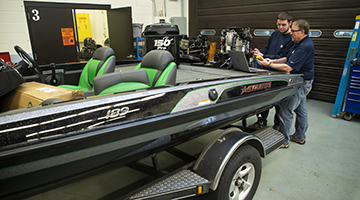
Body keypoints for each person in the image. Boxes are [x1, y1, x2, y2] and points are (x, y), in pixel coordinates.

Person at [256, 19, 315, 148]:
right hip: (302, 80)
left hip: (301, 82)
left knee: (285, 110)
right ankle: (299, 136)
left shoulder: (305, 47)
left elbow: (288, 67)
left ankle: (284, 140)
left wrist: (269, 65)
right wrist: (271, 60)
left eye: (293, 31)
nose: (291, 33)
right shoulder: (298, 42)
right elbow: (287, 58)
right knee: (301, 110)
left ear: (302, 32)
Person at [250, 11, 296, 130]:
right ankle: (261, 122)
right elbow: (267, 49)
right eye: (278, 24)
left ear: (290, 23)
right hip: (267, 70)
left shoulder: (292, 38)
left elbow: (285, 57)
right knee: (263, 98)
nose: (280, 27)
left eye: (283, 25)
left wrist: (268, 58)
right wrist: (260, 52)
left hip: (279, 72)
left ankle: (278, 125)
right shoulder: (275, 34)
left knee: (279, 101)